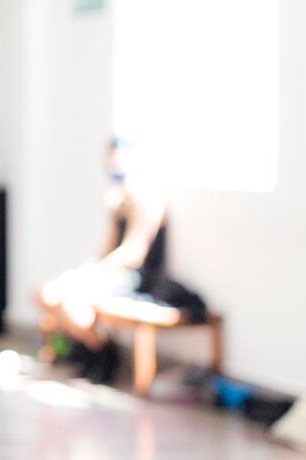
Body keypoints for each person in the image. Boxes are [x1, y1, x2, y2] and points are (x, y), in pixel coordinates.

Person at [34, 139, 202, 381]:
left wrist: (98, 270)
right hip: (112, 271)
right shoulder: (117, 201)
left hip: (137, 278)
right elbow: (108, 247)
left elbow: (135, 251)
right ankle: (96, 348)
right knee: (46, 294)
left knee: (74, 306)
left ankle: (101, 353)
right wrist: (89, 268)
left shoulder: (148, 198)